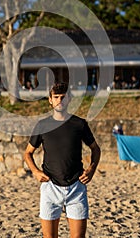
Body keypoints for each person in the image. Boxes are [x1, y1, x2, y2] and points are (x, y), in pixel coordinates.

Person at [24, 82, 101, 238]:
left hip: (76, 187)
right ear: (50, 100)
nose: (60, 100)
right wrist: (36, 172)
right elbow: (27, 153)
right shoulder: (42, 125)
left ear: (69, 99)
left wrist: (91, 169)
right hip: (50, 187)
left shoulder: (79, 124)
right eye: (56, 97)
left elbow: (96, 149)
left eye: (63, 97)